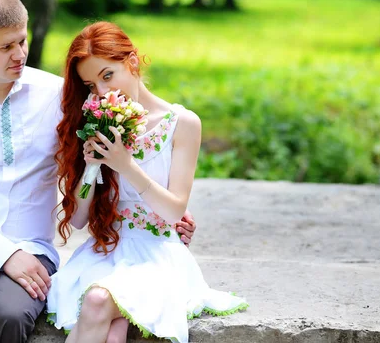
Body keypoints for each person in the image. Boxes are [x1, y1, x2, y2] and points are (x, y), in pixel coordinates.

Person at [0, 0, 197, 343]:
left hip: (29, 246)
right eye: (6, 47)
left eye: (22, 41)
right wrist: (2, 253)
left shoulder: (59, 97)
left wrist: (166, 213)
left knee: (7, 316)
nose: (20, 55)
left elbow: (121, 155)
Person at [46, 21, 248, 343]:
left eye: (107, 75)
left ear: (133, 62)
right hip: (108, 252)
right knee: (112, 335)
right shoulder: (98, 123)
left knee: (98, 301)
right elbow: (79, 219)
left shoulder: (182, 124)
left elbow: (173, 211)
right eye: (90, 84)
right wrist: (91, 167)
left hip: (158, 254)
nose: (101, 92)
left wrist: (125, 166)